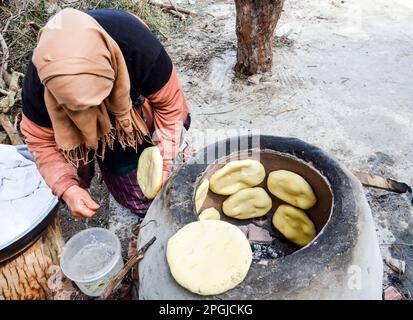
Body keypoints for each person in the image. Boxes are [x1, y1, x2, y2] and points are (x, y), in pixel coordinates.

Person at [20, 8, 190, 219]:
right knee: (128, 179)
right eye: (80, 110)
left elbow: (170, 106)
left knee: (168, 146)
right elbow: (41, 142)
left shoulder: (136, 46)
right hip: (108, 140)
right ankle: (145, 214)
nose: (93, 113)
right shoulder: (38, 85)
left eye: (99, 100)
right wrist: (67, 187)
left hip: (135, 110)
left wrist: (164, 158)